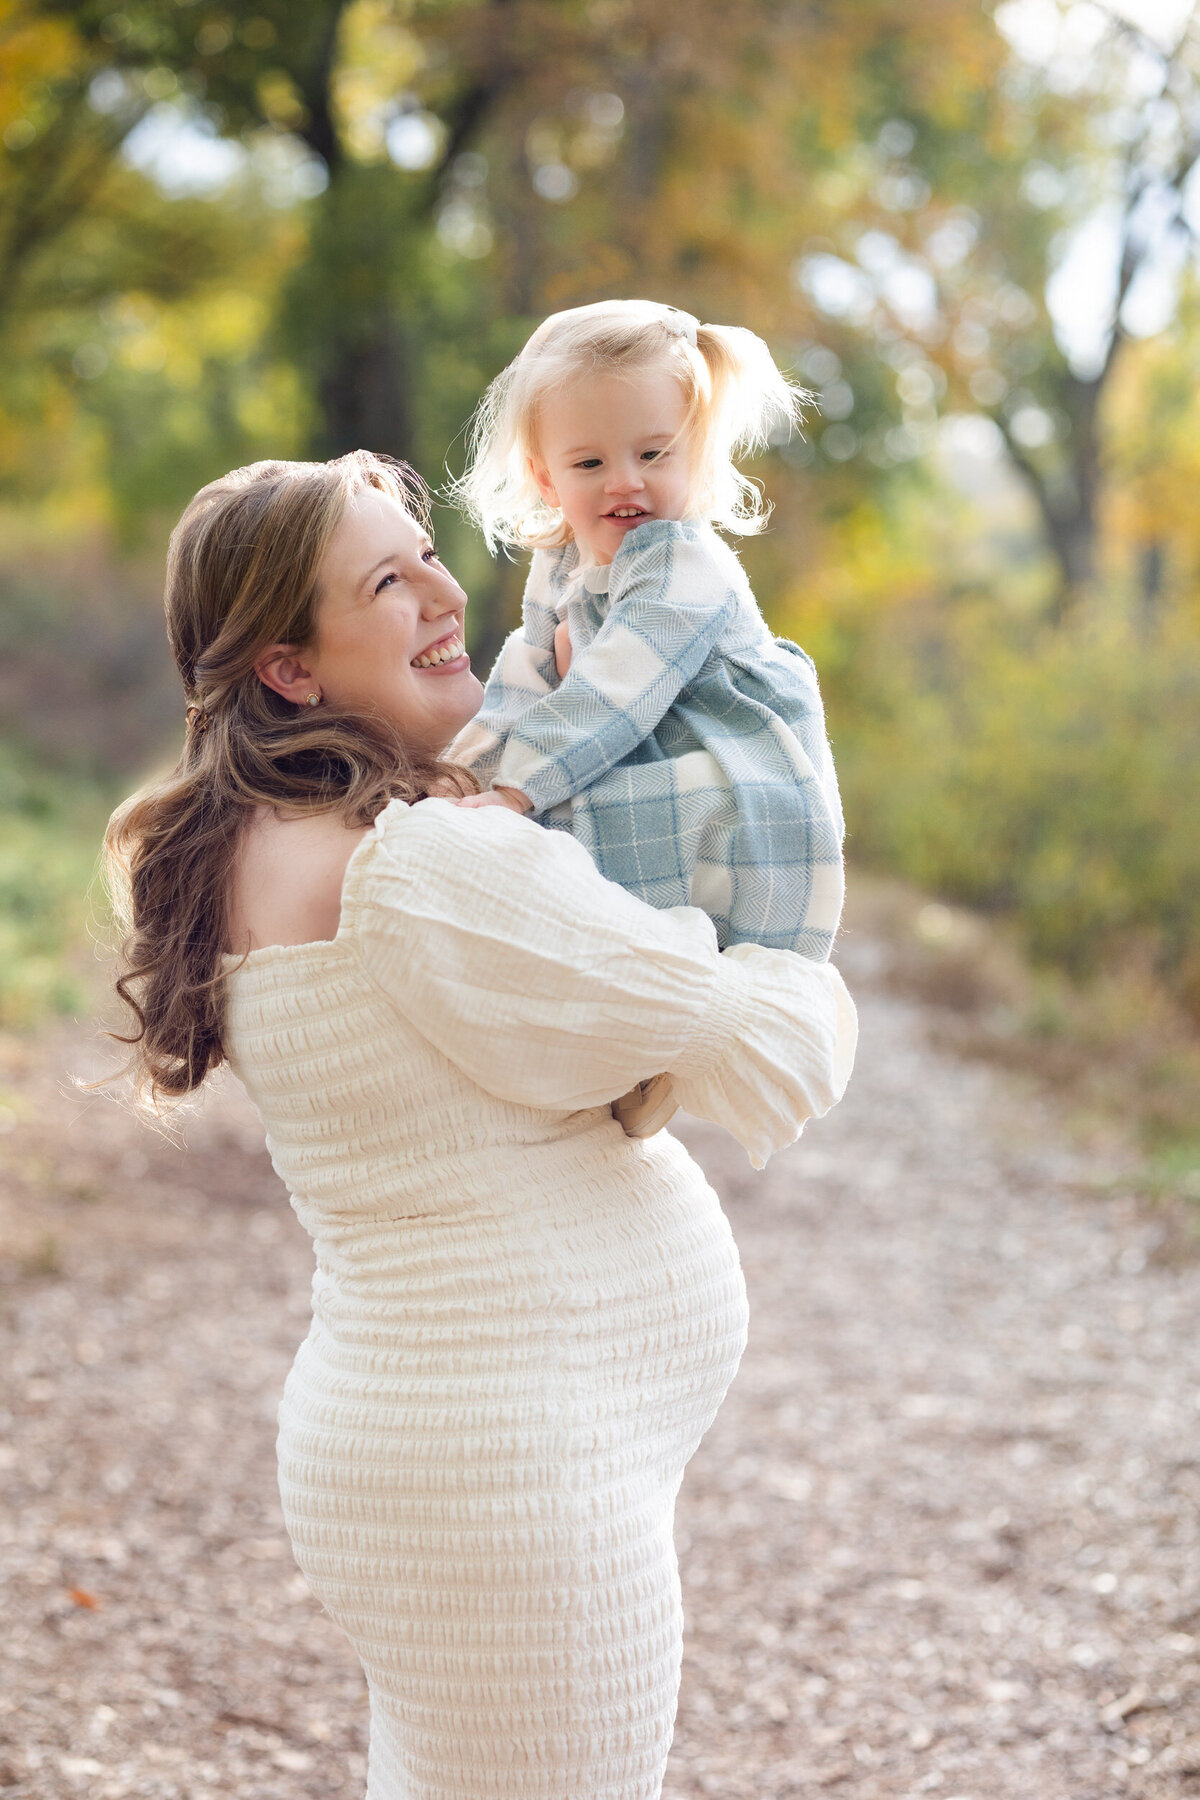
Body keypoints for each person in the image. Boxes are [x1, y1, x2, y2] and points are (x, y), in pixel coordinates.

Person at [104, 449, 856, 1800]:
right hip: (517, 1482)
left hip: (453, 1460)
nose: (447, 597)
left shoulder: (279, 838)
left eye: (430, 551)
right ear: (290, 667)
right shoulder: (419, 868)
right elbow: (770, 1043)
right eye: (387, 582)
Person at [450, 298, 846, 1136]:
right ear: (546, 476)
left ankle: (652, 1035)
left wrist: (516, 788)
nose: (624, 480)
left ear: (694, 454)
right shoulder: (560, 563)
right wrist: (455, 775)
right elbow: (521, 680)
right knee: (551, 845)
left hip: (736, 775)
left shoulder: (681, 560)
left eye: (652, 452)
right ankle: (627, 1045)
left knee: (564, 827)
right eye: (589, 461)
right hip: (637, 753)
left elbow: (617, 687)